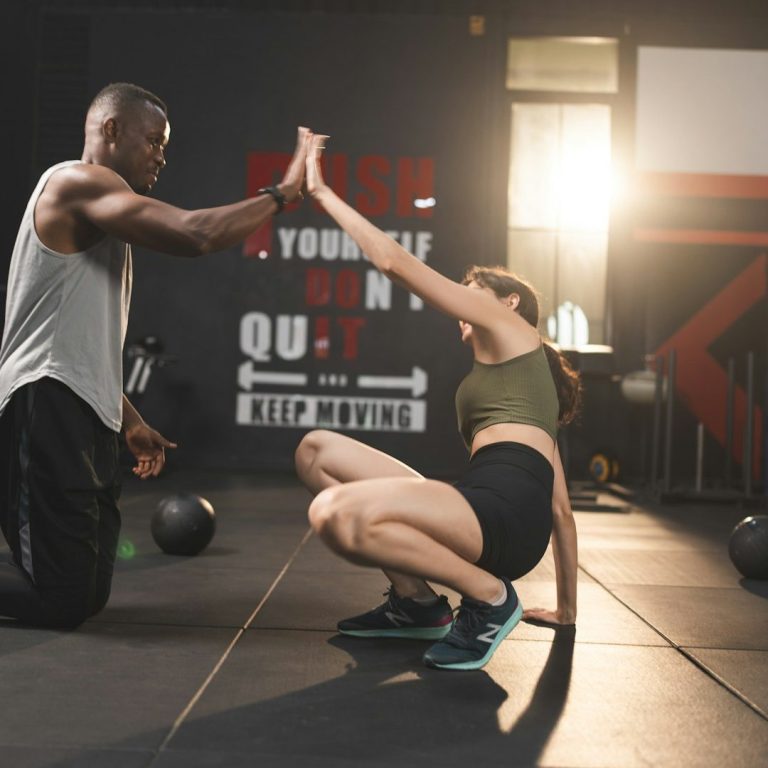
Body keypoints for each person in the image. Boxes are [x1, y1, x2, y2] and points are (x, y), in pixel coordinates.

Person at [0, 82, 309, 628]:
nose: (162, 155)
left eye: (165, 145)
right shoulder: (76, 182)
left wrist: (129, 419)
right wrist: (281, 194)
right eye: (153, 141)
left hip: (82, 410)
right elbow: (196, 234)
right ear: (111, 130)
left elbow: (76, 340)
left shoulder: (102, 216)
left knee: (87, 594)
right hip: (43, 403)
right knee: (64, 601)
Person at [294, 134, 580, 671]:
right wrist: (567, 609)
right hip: (487, 505)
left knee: (335, 515)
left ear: (511, 302)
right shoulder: (522, 380)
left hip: (502, 513)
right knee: (316, 451)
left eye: (473, 290)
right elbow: (561, 510)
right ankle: (418, 604)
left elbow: (393, 263)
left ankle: (491, 599)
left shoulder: (512, 328)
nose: (463, 302)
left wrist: (322, 191)